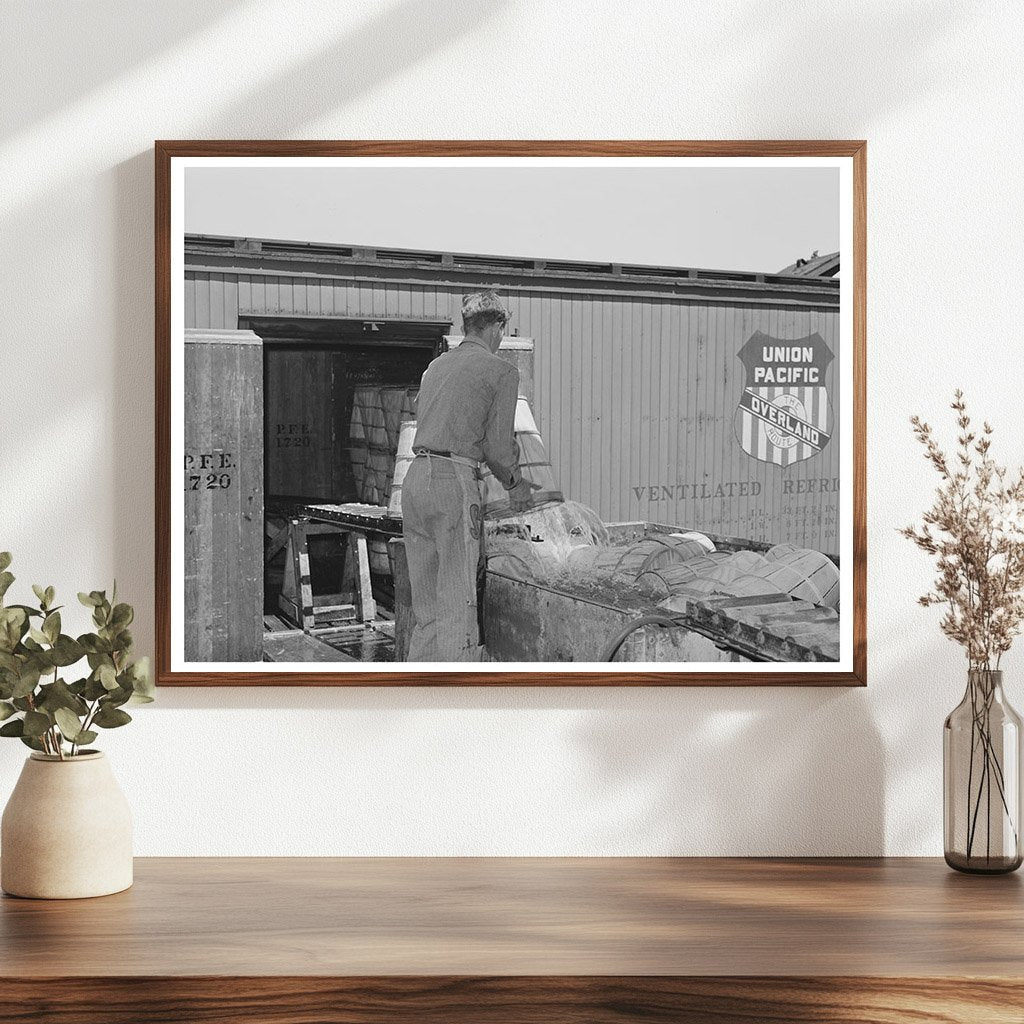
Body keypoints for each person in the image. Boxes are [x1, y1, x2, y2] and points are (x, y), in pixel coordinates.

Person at [401, 291, 534, 661]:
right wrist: (516, 485)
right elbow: (497, 449)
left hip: (415, 479)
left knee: (428, 611)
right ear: (497, 327)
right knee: (458, 604)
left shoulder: (435, 368)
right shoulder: (502, 371)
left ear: (467, 326)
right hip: (453, 484)